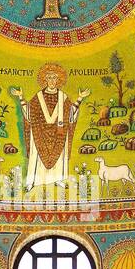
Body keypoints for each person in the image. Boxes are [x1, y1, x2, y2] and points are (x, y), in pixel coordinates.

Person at [10, 63, 89, 192]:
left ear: (58, 80)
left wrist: (80, 98)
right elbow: (29, 113)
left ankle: (57, 179)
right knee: (37, 156)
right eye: (49, 78)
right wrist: (20, 97)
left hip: (59, 133)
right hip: (39, 133)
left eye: (54, 78)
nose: (52, 81)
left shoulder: (63, 97)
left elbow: (70, 115)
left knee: (59, 156)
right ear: (45, 80)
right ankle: (32, 181)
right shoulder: (38, 97)